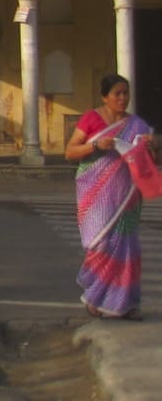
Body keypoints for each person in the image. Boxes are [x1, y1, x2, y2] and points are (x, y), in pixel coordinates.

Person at [64, 74, 158, 320]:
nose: (123, 98)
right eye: (117, 93)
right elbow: (70, 152)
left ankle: (126, 304)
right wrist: (96, 146)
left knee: (127, 247)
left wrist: (150, 146)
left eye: (125, 93)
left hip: (127, 195)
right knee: (102, 243)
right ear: (105, 97)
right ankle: (96, 296)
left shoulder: (137, 125)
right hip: (96, 194)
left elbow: (151, 162)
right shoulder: (91, 119)